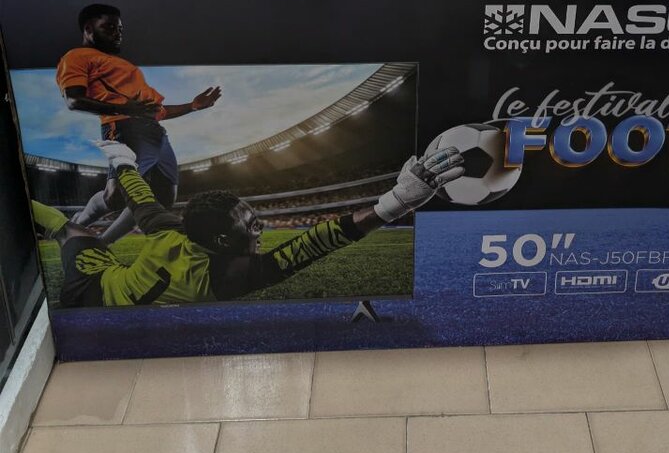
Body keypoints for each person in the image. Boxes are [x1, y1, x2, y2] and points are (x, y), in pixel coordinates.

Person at [31, 141, 464, 308]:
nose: (263, 229)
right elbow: (314, 244)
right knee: (73, 232)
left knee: (70, 231)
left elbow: (140, 196)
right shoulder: (225, 278)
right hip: (94, 295)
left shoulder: (167, 229)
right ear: (222, 239)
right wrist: (394, 203)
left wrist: (124, 162)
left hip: (101, 283)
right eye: (253, 225)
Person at [56, 3, 221, 244]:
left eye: (120, 29)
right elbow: (73, 100)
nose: (117, 33)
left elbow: (156, 111)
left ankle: (102, 244)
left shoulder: (127, 67)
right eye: (109, 27)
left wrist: (192, 106)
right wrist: (125, 109)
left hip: (156, 134)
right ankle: (75, 226)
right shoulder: (77, 56)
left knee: (161, 199)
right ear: (89, 28)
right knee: (116, 197)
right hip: (124, 127)